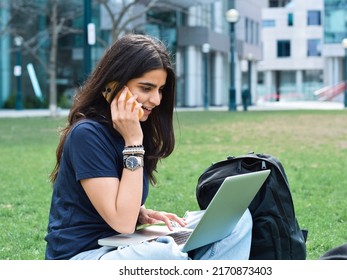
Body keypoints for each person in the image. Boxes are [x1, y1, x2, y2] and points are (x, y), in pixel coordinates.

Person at [44, 34, 252, 260]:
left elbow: (114, 206)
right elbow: (122, 222)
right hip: (82, 257)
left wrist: (141, 214)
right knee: (162, 253)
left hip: (122, 245)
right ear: (112, 86)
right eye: (146, 88)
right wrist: (134, 142)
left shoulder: (129, 128)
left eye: (161, 89)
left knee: (236, 218)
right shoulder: (87, 135)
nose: (156, 100)